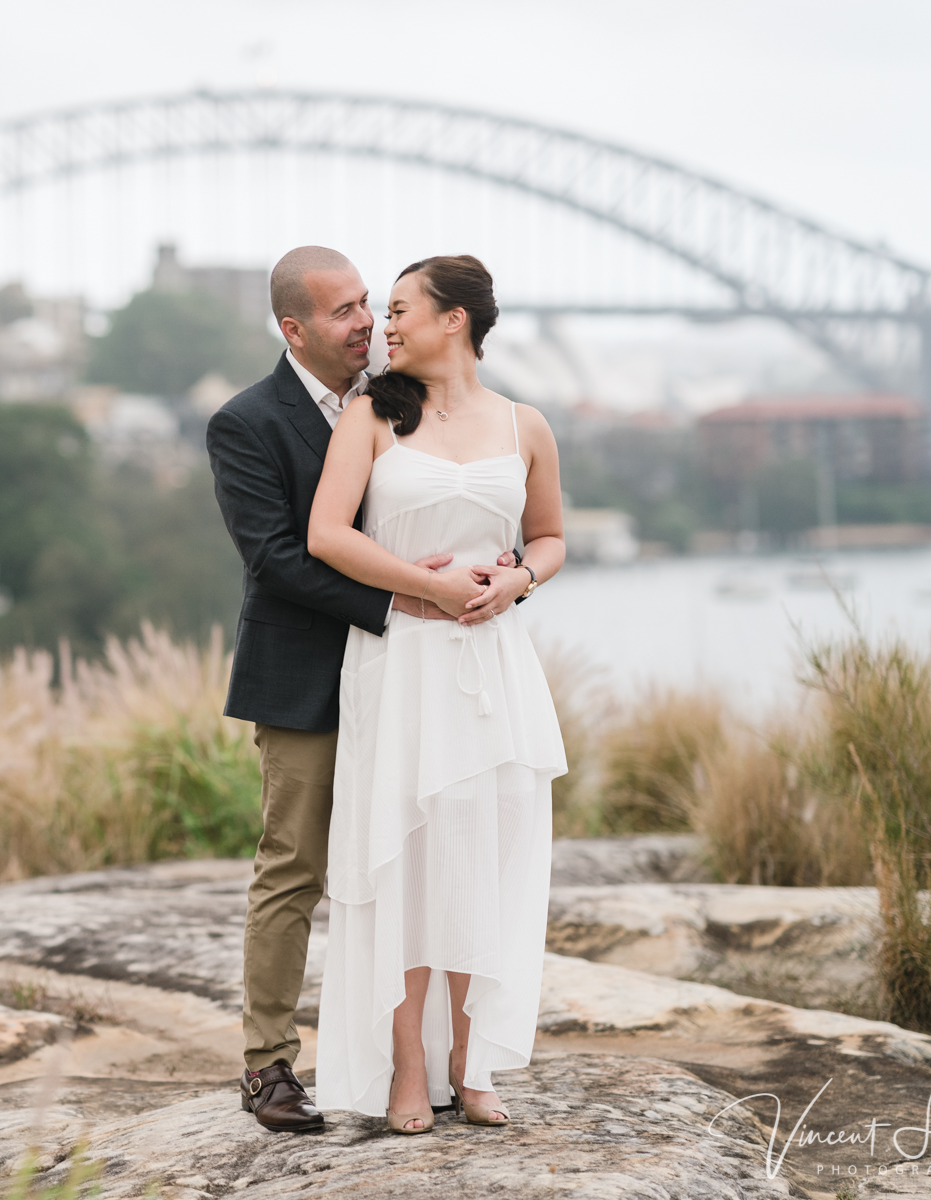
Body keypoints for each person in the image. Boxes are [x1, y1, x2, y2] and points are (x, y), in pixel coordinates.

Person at [206, 246, 475, 1133]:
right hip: (309, 677)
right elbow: (276, 557)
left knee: (413, 866)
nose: (368, 322)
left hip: (409, 677)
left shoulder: (399, 401)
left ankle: (411, 1064)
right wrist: (400, 595)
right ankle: (267, 1066)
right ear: (294, 329)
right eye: (344, 311)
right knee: (295, 870)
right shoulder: (245, 422)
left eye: (370, 303)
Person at [306, 254, 567, 1134]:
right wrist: (424, 591)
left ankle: (473, 1062)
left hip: (493, 668)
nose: (384, 327)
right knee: (403, 865)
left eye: (400, 311)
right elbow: (326, 535)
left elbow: (552, 535)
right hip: (404, 662)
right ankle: (408, 1071)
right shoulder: (370, 415)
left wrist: (519, 579)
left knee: (479, 868)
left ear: (455, 320)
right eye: (383, 314)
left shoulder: (525, 424)